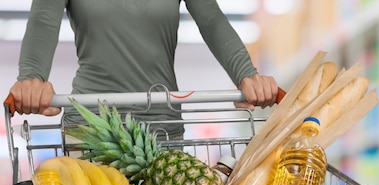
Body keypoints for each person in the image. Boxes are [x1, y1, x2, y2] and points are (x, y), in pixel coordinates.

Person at [9, 0, 279, 137]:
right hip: (90, 128)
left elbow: (211, 19)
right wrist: (31, 78)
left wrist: (247, 75)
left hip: (161, 128)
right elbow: (44, 19)